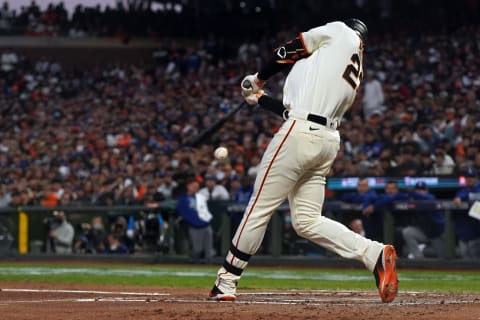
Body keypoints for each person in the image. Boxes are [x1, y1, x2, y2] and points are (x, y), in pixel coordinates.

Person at [208, 19, 398, 303]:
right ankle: (373, 253)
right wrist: (260, 99)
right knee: (307, 221)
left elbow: (292, 48)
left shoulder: (339, 30)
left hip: (300, 135)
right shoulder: (349, 68)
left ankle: (226, 281)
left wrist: (259, 77)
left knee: (259, 207)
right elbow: (295, 111)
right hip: (326, 140)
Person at [401, 182, 445, 259]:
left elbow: (428, 198)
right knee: (407, 232)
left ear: (426, 191)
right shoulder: (414, 201)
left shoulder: (431, 197)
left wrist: (413, 193)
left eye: (422, 190)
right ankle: (419, 259)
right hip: (423, 232)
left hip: (437, 234)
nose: (420, 192)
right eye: (418, 190)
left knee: (443, 257)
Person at [176, 177, 214, 264]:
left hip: (206, 226)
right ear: (188, 186)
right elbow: (184, 213)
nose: (195, 188)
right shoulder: (183, 199)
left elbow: (206, 211)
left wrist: (207, 221)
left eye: (197, 186)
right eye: (193, 186)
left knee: (209, 250)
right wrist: (195, 223)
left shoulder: (200, 198)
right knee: (197, 250)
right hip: (195, 227)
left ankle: (209, 268)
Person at [452, 168, 480, 258]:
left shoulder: (478, 189)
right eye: (468, 177)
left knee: (476, 261)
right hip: (463, 233)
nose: (469, 179)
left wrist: (462, 198)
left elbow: (475, 196)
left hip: (476, 233)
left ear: (476, 178)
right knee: (465, 261)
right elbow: (457, 199)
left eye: (472, 177)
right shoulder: (461, 191)